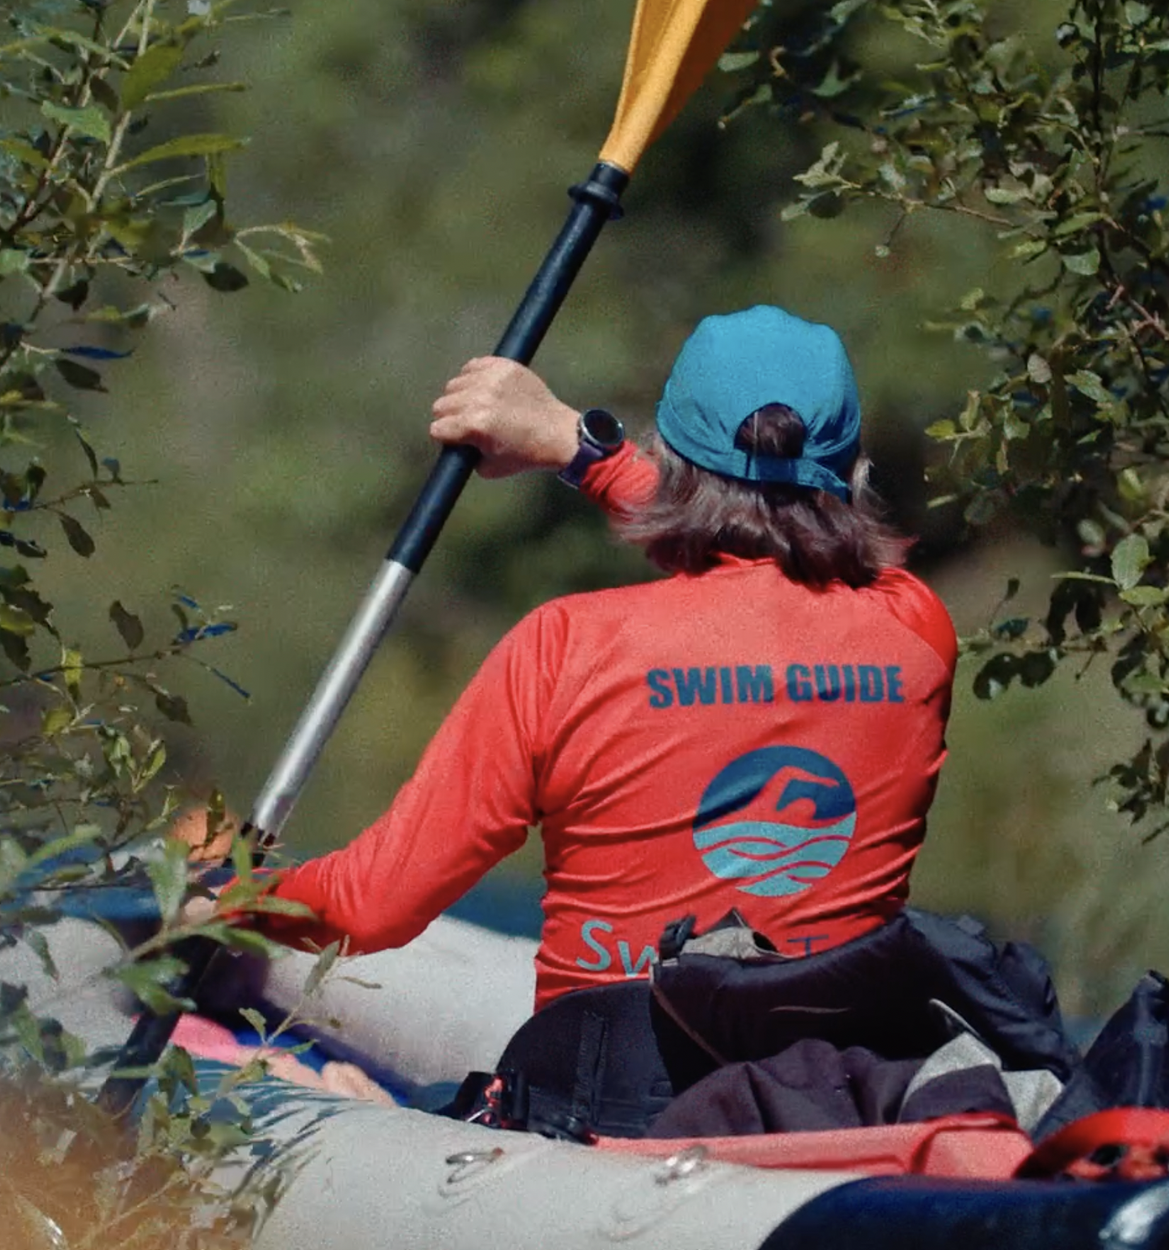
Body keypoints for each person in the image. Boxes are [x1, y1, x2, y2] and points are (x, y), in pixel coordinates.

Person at [249, 305, 957, 1013]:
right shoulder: (917, 629)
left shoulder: (562, 649)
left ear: (669, 454)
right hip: (830, 1087)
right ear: (857, 470)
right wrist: (580, 450)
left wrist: (226, 898)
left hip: (606, 1104)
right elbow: (763, 543)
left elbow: (367, 908)